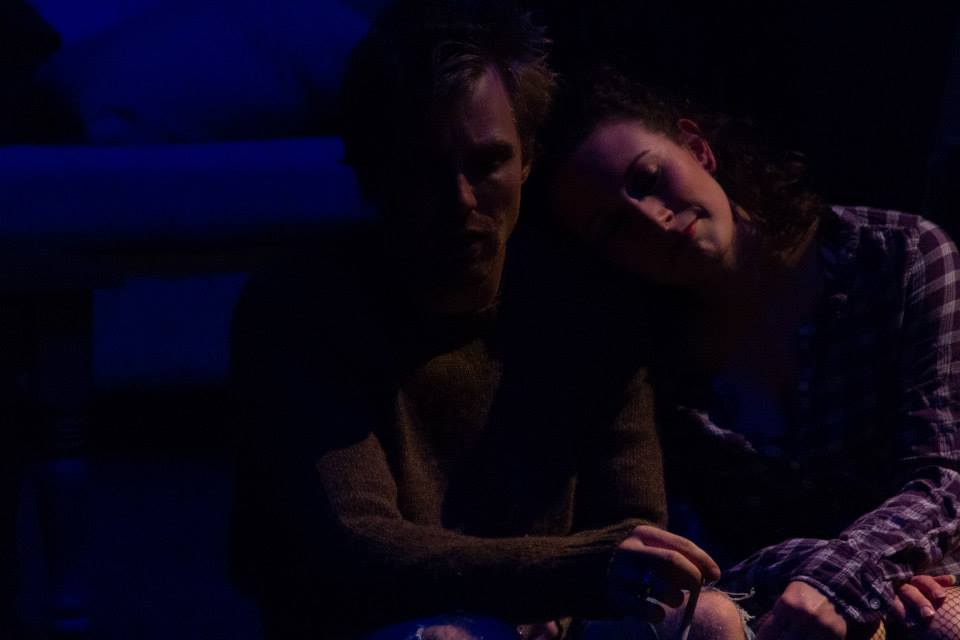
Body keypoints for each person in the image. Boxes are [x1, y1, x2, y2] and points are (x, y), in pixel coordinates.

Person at [231, 3, 743, 639]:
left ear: (526, 161)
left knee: (708, 619)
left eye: (486, 163)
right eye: (425, 170)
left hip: (557, 612)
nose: (461, 201)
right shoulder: (304, 307)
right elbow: (355, 543)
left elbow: (632, 521)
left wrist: (567, 597)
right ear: (373, 175)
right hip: (389, 623)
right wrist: (559, 576)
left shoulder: (586, 301)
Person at [544, 72, 960, 640]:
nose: (653, 219)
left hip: (923, 571)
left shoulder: (895, 256)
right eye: (614, 227)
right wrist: (829, 570)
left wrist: (856, 572)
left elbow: (943, 478)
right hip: (770, 600)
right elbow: (693, 553)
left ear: (697, 148)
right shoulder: (649, 360)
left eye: (648, 179)